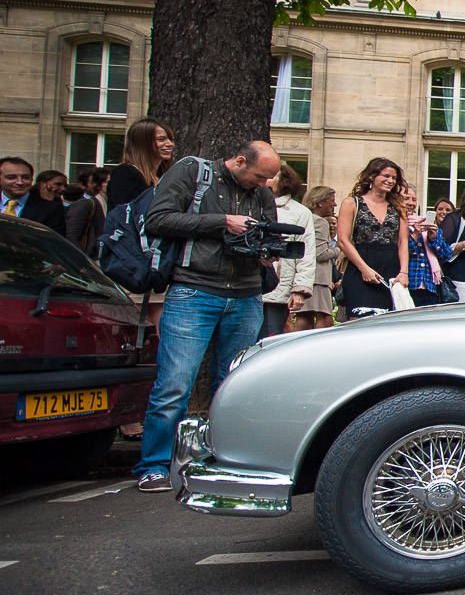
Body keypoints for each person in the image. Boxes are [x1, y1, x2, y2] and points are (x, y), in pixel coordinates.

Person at [133, 141, 282, 492]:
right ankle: (153, 465)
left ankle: (224, 459)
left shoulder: (260, 192)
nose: (263, 185)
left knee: (232, 387)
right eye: (259, 176)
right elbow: (158, 219)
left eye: (269, 180)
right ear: (240, 161)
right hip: (194, 290)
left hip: (245, 294)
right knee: (174, 384)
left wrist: (267, 252)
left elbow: (268, 232)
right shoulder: (192, 172)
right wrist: (223, 223)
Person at [336, 158, 408, 318]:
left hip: (391, 269)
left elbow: (403, 242)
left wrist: (404, 272)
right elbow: (342, 240)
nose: (390, 181)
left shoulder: (398, 207)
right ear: (371, 176)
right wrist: (364, 268)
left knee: (388, 322)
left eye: (394, 178)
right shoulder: (352, 203)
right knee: (359, 321)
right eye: (386, 176)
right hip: (359, 266)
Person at [261, 164, 318, 337]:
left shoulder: (299, 212)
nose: (265, 178)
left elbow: (306, 252)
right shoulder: (248, 203)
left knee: (268, 340)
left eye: (271, 175)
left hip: (276, 290)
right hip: (243, 289)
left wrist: (300, 289)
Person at [293, 185, 338, 330]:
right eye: (332, 200)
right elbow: (321, 254)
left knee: (305, 316)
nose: (334, 204)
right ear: (320, 202)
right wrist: (341, 248)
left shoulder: (303, 217)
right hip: (318, 279)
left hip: (308, 277)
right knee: (325, 319)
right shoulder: (320, 221)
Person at [108, 118, 176, 213]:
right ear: (142, 142)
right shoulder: (125, 172)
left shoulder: (162, 176)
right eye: (161, 139)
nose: (170, 144)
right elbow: (126, 214)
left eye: (171, 140)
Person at [404, 182, 454, 306]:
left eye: (414, 199)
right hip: (408, 285)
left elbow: (446, 255)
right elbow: (398, 255)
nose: (411, 203)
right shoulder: (396, 225)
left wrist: (433, 238)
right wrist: (415, 235)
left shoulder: (425, 223)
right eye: (406, 198)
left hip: (430, 286)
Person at [1, 157, 66, 233]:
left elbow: (53, 242)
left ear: (32, 179)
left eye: (26, 177)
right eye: (11, 177)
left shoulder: (51, 209)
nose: (20, 182)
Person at [64, 169, 110, 253]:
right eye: (108, 182)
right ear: (97, 185)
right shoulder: (84, 205)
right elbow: (72, 237)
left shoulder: (115, 206)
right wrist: (83, 262)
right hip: (90, 259)